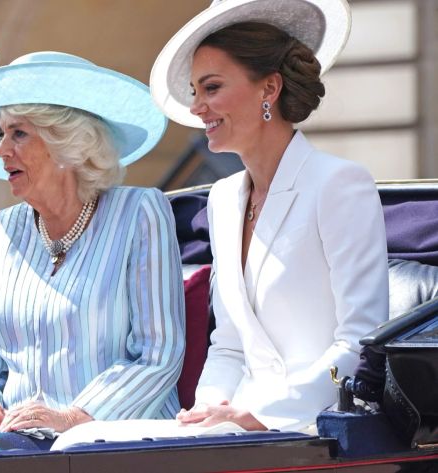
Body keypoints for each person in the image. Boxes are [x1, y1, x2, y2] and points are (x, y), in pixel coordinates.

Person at [148, 0, 388, 432]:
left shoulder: (339, 184)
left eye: (212, 87)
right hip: (237, 431)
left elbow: (360, 340)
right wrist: (208, 414)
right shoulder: (221, 199)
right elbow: (228, 346)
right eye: (194, 92)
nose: (198, 106)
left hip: (317, 428)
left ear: (268, 89)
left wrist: (260, 417)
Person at [0, 52, 185, 438]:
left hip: (118, 441)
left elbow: (159, 355)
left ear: (69, 144)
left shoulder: (139, 212)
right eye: (0, 134)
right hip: (17, 443)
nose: (2, 149)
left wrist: (74, 418)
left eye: (18, 133)